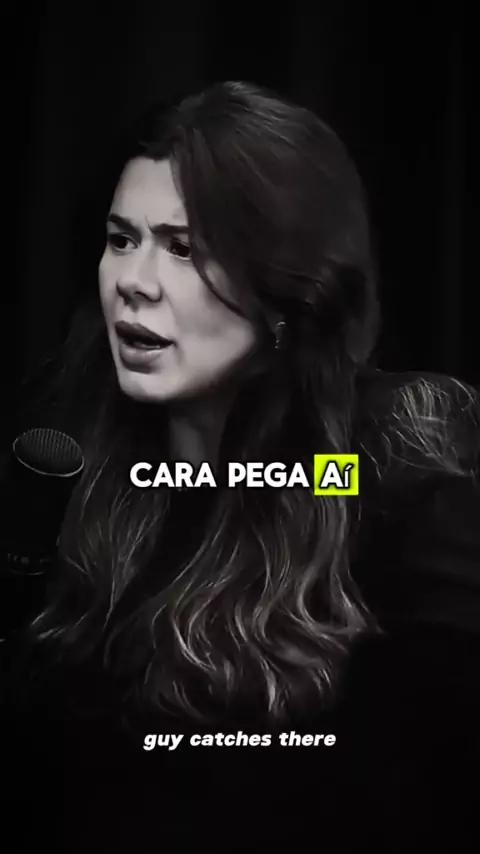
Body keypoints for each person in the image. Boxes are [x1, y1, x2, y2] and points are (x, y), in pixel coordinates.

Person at [3, 80, 480, 851]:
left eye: (184, 249)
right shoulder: (69, 444)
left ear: (286, 287)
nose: (134, 282)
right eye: (121, 239)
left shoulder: (387, 472)